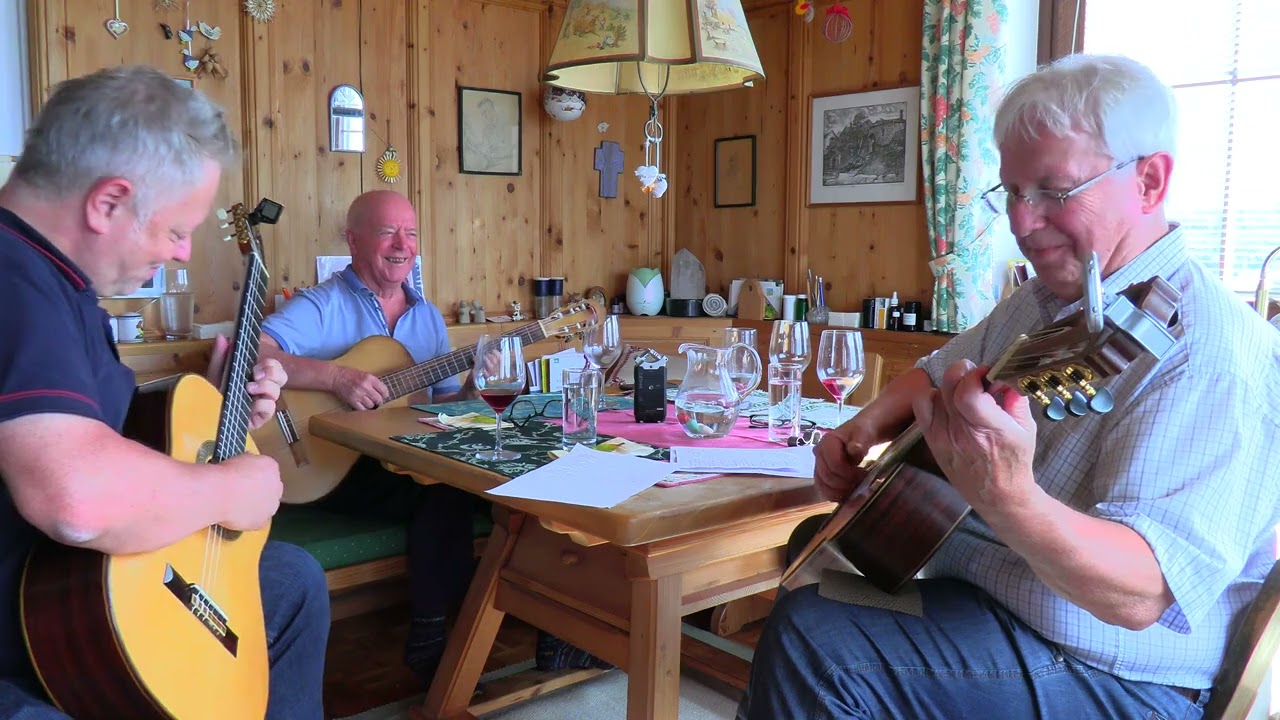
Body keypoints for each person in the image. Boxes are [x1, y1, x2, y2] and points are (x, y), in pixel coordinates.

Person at [739, 53, 1280, 719]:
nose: (1023, 224)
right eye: (1013, 193)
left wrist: (1008, 496)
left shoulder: (1212, 356)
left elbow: (1140, 592)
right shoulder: (1056, 299)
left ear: (1148, 181)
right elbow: (934, 373)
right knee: (816, 557)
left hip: (1121, 677)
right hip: (1000, 595)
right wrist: (865, 427)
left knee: (821, 646)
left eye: (1053, 192)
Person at [0, 65, 329, 719]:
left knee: (289, 581)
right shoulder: (15, 283)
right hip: (28, 637)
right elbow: (78, 498)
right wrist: (236, 486)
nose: (182, 254)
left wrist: (215, 411)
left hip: (75, 590)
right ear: (108, 202)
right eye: (178, 231)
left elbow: (92, 432)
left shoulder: (61, 286)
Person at [258, 189, 607, 687]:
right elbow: (253, 353)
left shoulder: (425, 317)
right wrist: (336, 379)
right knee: (443, 490)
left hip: (397, 464)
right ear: (354, 240)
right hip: (327, 467)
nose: (402, 244)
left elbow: (442, 409)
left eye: (411, 233)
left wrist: (474, 384)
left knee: (517, 485)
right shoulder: (321, 304)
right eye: (386, 232)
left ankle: (552, 631)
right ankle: (431, 642)